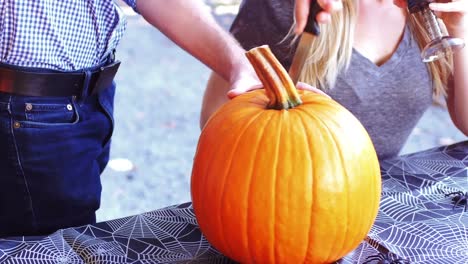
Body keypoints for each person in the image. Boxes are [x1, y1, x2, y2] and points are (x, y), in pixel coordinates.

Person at [0, 0, 340, 237]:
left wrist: (241, 68)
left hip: (82, 98)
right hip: (29, 108)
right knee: (49, 242)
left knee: (68, 230)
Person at [200, 0, 468, 160]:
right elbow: (214, 117)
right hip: (287, 199)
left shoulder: (438, 12)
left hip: (383, 199)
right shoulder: (287, 8)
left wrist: (459, 27)